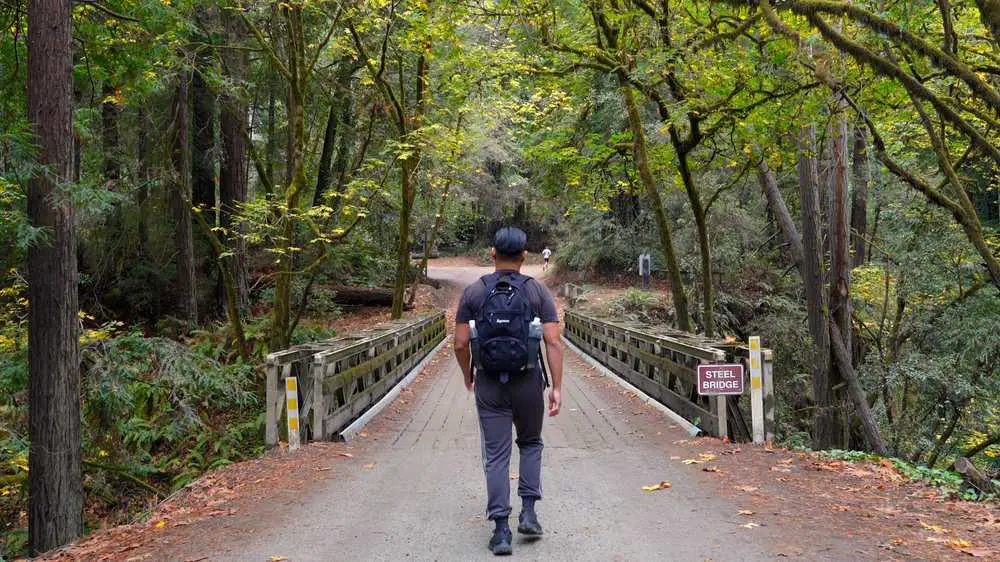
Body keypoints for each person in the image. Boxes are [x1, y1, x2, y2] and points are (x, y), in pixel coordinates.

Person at [454, 227, 564, 556]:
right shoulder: (537, 292)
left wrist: (467, 374)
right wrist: (557, 387)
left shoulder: (474, 292)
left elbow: (460, 343)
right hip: (529, 381)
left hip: (489, 383)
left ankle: (501, 531)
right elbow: (553, 341)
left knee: (496, 456)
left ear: (492, 254)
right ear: (524, 256)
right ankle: (528, 514)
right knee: (530, 443)